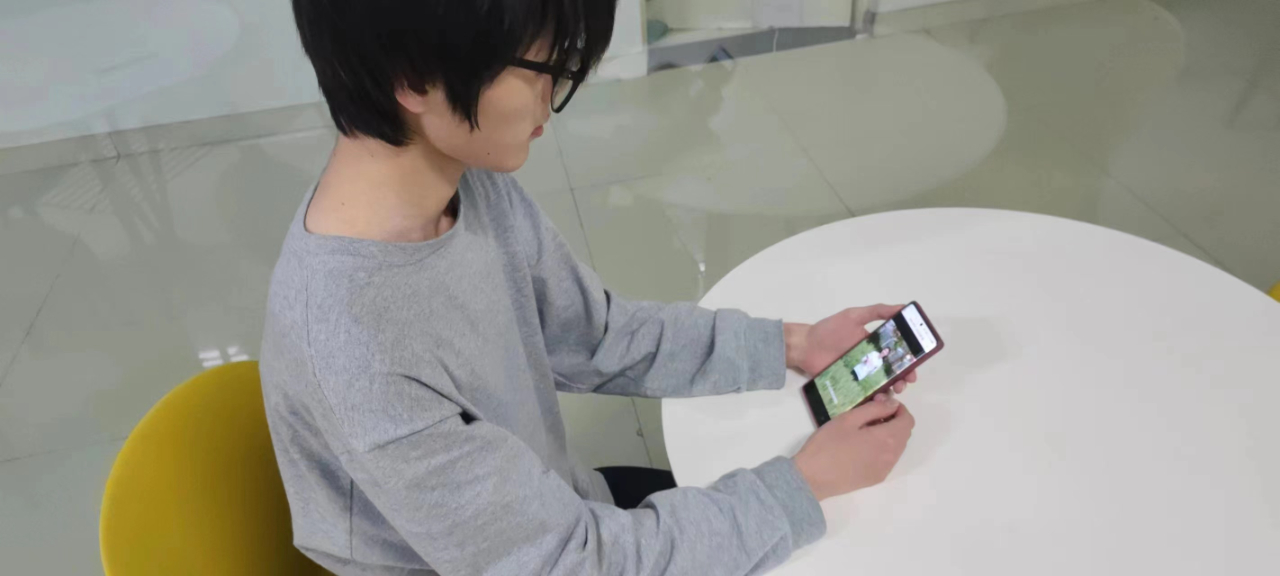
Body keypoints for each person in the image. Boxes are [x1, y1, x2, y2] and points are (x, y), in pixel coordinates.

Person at [259, 1, 919, 574]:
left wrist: (792, 344)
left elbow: (595, 334)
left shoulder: (461, 179)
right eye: (541, 68)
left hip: (550, 523)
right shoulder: (355, 352)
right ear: (413, 77)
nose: (554, 95)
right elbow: (570, 564)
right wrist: (804, 484)